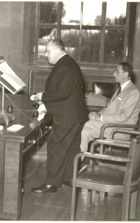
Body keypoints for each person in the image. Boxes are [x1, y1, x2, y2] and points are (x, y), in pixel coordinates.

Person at [30, 39, 88, 193]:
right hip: (75, 115)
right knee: (70, 148)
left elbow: (62, 93)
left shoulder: (64, 66)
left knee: (56, 145)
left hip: (68, 116)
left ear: (57, 49)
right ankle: (68, 179)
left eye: (47, 51)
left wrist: (43, 99)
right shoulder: (67, 63)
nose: (46, 55)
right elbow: (66, 92)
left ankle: (51, 184)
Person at [79, 62, 140, 152]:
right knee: (86, 130)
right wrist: (97, 114)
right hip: (112, 126)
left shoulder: (133, 92)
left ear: (126, 74)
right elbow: (109, 109)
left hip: (121, 130)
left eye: (117, 71)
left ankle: (80, 155)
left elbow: (124, 117)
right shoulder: (119, 89)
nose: (114, 74)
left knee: (88, 123)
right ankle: (81, 156)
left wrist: (101, 118)